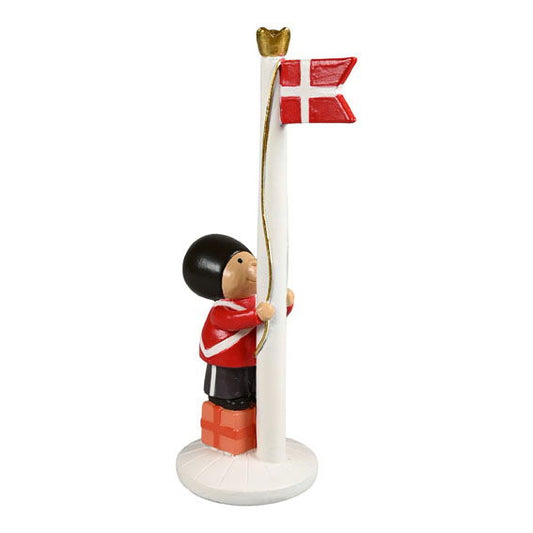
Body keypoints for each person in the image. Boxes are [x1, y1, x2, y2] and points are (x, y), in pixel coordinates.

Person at [183, 234, 294, 411]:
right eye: (241, 261)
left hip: (251, 356)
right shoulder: (221, 310)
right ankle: (225, 398)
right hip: (226, 358)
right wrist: (257, 315)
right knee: (228, 381)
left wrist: (285, 304)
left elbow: (273, 319)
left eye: (251, 259)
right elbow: (232, 321)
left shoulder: (255, 302)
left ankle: (251, 394)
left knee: (252, 379)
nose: (254, 265)